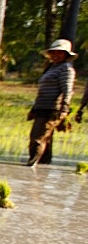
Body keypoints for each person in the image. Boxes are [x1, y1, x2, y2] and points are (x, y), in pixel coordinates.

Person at [28, 38, 77, 167]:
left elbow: (67, 90)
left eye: (59, 53)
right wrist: (34, 108)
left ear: (66, 54)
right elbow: (42, 91)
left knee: (37, 138)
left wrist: (64, 109)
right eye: (53, 52)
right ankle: (43, 168)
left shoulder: (66, 69)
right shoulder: (51, 68)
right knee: (46, 139)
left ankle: (31, 166)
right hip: (42, 107)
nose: (55, 55)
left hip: (53, 109)